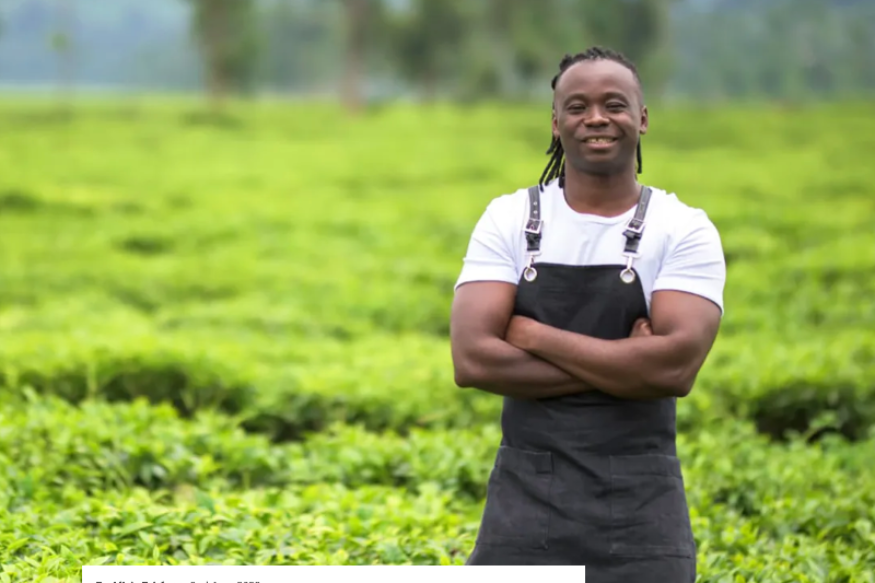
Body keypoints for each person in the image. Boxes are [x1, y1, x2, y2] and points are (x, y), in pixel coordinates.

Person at [449, 47, 726, 581]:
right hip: (523, 510)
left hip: (643, 515)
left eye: (614, 105)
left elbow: (672, 371)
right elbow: (473, 361)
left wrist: (531, 334)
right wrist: (627, 362)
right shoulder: (510, 217)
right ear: (555, 124)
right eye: (577, 107)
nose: (595, 118)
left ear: (642, 118)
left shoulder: (683, 229)